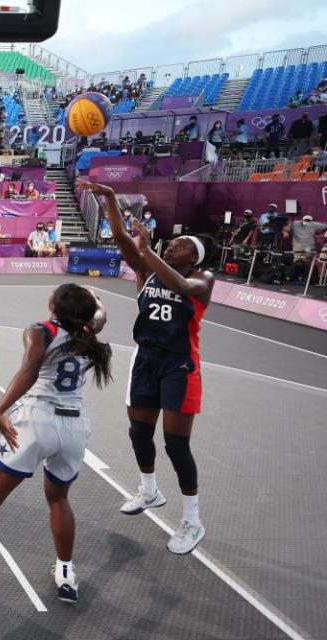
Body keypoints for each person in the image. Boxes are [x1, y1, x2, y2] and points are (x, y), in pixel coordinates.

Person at [0, 284, 111, 601]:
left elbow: (29, 369)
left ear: (53, 304)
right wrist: (94, 300)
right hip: (75, 427)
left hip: (36, 421)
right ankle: (66, 574)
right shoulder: (89, 334)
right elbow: (100, 314)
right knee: (59, 499)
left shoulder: (40, 331)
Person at [79, 180, 214, 555]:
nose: (174, 244)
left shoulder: (203, 280)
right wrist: (108, 199)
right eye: (172, 241)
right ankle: (150, 491)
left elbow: (183, 286)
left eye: (182, 245)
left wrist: (149, 252)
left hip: (180, 365)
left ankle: (192, 520)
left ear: (195, 258)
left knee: (175, 443)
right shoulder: (149, 269)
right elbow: (122, 237)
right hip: (146, 359)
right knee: (139, 432)